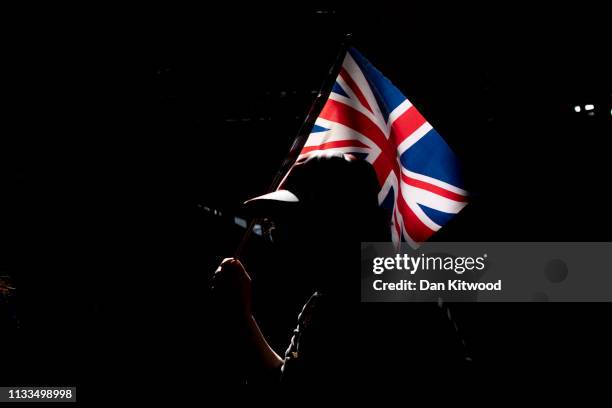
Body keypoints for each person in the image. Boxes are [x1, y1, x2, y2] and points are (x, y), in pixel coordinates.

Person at [210, 153, 465, 383]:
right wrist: (241, 315)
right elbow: (289, 378)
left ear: (334, 224)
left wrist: (240, 317)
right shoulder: (338, 294)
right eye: (272, 225)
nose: (276, 236)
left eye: (287, 224)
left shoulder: (361, 309)